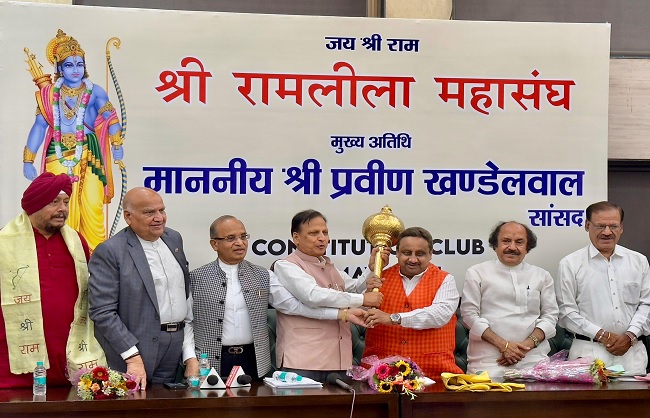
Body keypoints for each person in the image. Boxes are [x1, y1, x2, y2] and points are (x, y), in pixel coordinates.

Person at [190, 215, 366, 380]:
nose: (240, 243)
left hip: (254, 360)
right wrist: (190, 358)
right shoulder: (196, 278)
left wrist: (341, 314)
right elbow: (187, 323)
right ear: (214, 244)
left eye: (243, 237)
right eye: (231, 238)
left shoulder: (263, 275)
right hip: (210, 361)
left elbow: (293, 306)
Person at [0, 172, 105, 388]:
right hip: (13, 359)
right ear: (35, 205)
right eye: (54, 202)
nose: (62, 209)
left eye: (66, 202)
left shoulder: (76, 241)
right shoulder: (4, 243)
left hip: (70, 353)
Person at [23, 29, 124, 250]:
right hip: (57, 153)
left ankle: (97, 255)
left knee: (93, 204)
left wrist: (116, 142)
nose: (76, 70)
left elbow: (111, 118)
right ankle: (63, 253)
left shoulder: (95, 91)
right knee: (58, 206)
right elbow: (39, 126)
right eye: (69, 65)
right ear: (59, 68)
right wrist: (28, 159)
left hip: (90, 153)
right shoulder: (48, 95)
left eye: (80, 64)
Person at [88, 187, 197, 389]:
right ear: (128, 217)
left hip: (175, 348)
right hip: (133, 351)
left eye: (161, 210)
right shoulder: (111, 251)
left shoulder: (174, 239)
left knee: (168, 404)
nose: (159, 218)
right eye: (149, 212)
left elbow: (184, 296)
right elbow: (102, 311)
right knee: (133, 404)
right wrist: (132, 356)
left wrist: (189, 355)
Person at [273, 209, 383, 382]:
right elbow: (312, 296)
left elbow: (353, 288)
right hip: (303, 361)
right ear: (296, 238)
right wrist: (363, 299)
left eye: (325, 232)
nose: (322, 238)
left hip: (339, 359)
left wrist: (372, 269)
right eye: (314, 233)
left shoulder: (328, 265)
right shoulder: (286, 266)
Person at [556, 201, 650, 375]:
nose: (607, 232)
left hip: (632, 354)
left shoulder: (639, 261)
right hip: (588, 354)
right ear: (587, 225)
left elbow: (647, 304)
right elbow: (566, 312)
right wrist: (601, 334)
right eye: (600, 226)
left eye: (613, 226)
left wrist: (630, 336)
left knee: (634, 395)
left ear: (621, 228)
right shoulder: (570, 264)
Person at [363, 227, 463, 379]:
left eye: (420, 254)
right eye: (407, 253)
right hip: (382, 375)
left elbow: (439, 315)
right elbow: (360, 314)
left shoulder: (445, 280)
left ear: (431, 254)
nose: (413, 259)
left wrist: (393, 318)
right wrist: (366, 294)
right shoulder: (378, 279)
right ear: (397, 253)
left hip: (433, 374)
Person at [461, 221, 558, 378]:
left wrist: (524, 347)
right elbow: (469, 315)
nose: (512, 247)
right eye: (506, 241)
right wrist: (503, 345)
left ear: (527, 247)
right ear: (495, 245)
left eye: (519, 242)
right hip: (489, 362)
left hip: (533, 360)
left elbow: (550, 316)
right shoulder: (477, 273)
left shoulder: (541, 276)